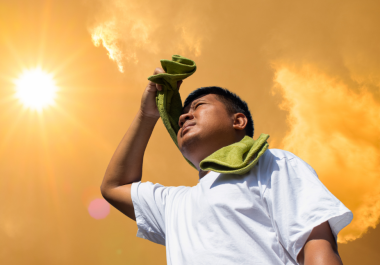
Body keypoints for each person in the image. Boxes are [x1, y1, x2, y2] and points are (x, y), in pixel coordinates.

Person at [101, 67, 353, 265]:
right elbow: (114, 186)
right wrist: (147, 115)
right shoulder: (175, 204)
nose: (184, 116)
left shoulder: (271, 163)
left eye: (199, 107)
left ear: (238, 121)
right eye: (181, 116)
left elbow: (316, 244)